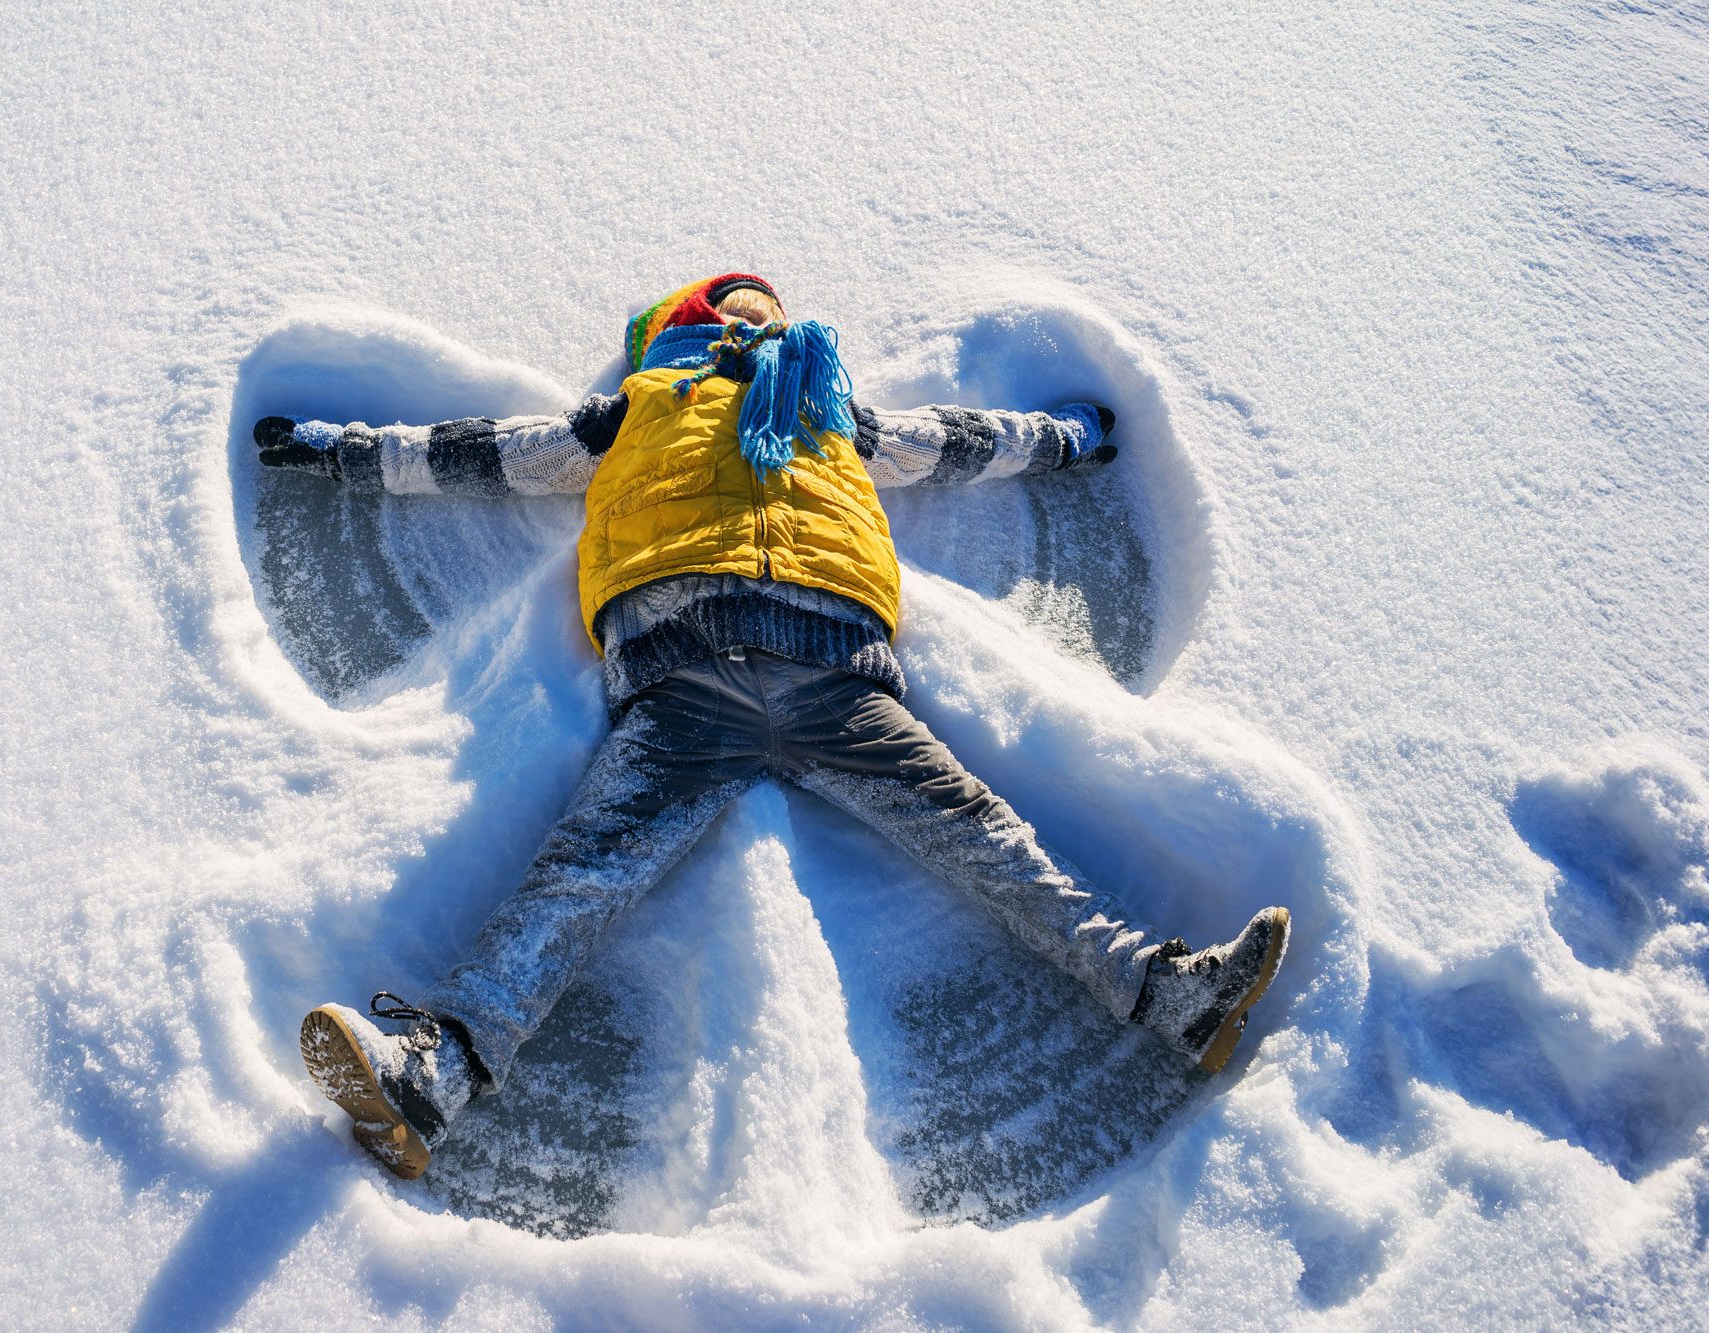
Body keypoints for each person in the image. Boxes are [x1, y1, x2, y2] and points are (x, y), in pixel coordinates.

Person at [255, 274, 1290, 1180]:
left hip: (834, 668)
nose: (750, 311)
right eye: (724, 301)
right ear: (679, 326)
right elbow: (482, 453)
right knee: (581, 875)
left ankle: (1168, 994)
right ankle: (428, 1079)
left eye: (761, 303)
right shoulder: (635, 408)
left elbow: (957, 441)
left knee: (983, 836)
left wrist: (1063, 439)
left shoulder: (826, 403)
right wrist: (347, 453)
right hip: (682, 674)